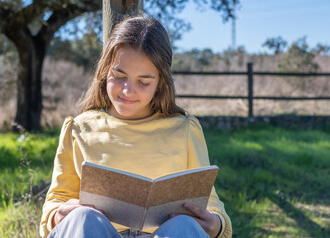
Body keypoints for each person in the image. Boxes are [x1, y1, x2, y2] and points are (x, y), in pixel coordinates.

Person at [40, 15, 232, 238]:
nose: (127, 90)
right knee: (83, 219)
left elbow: (209, 201)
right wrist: (58, 215)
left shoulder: (185, 129)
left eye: (143, 82)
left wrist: (216, 223)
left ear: (161, 81)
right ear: (104, 71)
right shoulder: (79, 128)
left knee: (184, 226)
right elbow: (57, 200)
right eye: (119, 76)